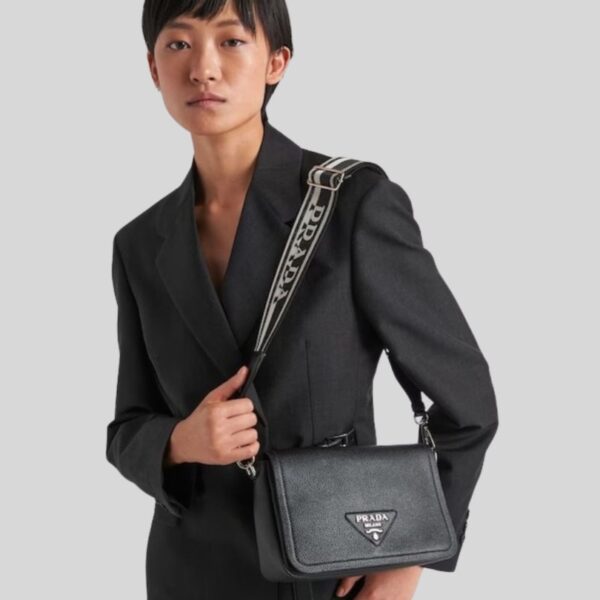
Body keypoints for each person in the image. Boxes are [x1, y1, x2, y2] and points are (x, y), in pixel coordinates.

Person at [106, 1, 499, 599]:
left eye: (231, 41)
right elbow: (128, 425)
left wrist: (406, 559)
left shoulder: (352, 203)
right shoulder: (140, 243)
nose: (203, 68)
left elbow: (468, 403)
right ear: (154, 69)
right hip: (189, 570)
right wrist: (182, 441)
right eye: (179, 44)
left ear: (276, 62)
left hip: (332, 561)